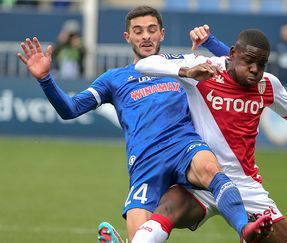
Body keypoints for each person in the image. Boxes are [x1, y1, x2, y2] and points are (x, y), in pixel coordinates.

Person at [17, 6, 271, 243]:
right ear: (128, 37)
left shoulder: (182, 63)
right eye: (138, 31)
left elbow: (234, 64)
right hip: (145, 163)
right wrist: (46, 79)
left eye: (152, 30)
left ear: (162, 34)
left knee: (210, 168)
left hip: (184, 146)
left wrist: (210, 43)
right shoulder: (114, 79)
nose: (146, 36)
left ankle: (243, 229)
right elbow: (70, 110)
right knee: (141, 236)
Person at [134, 28, 287, 242]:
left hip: (245, 187)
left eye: (262, 64)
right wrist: (186, 71)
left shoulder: (267, 84)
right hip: (202, 180)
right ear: (233, 54)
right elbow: (144, 65)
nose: (256, 70)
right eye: (249, 62)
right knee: (163, 214)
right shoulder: (204, 69)